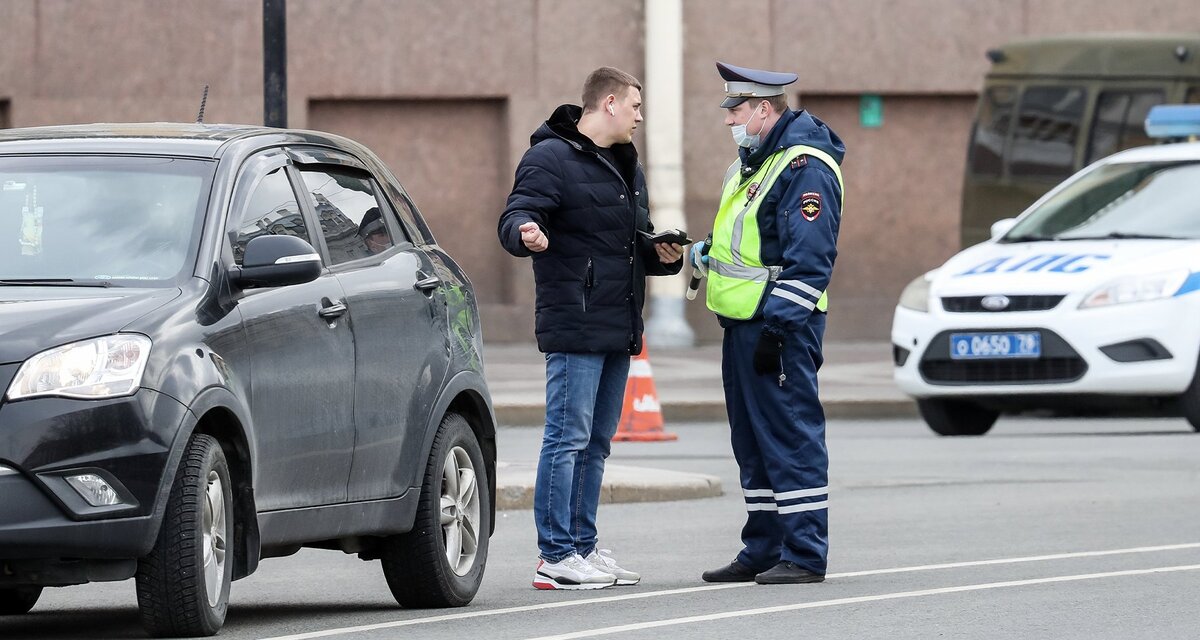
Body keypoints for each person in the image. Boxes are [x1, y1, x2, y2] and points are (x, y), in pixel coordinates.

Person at [498, 67, 684, 590]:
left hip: (618, 322)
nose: (640, 117)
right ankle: (554, 555)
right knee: (567, 437)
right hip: (575, 322)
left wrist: (661, 254)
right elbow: (515, 215)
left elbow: (627, 243)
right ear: (607, 104)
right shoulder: (549, 157)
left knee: (597, 442)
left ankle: (582, 546)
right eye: (635, 107)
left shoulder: (625, 164)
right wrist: (526, 233)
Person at [694, 61, 845, 585]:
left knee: (790, 437)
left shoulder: (804, 166)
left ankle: (804, 553)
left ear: (764, 109)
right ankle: (764, 546)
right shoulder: (752, 163)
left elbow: (810, 261)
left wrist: (779, 329)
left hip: (778, 327)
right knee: (752, 442)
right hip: (743, 325)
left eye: (735, 109)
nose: (729, 119)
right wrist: (696, 254)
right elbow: (746, 248)